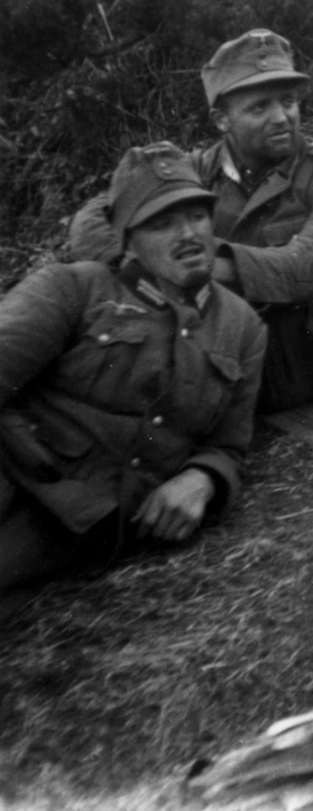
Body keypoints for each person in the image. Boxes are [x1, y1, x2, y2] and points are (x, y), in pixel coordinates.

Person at [0, 144, 266, 623]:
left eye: (196, 216)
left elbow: (230, 444)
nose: (187, 234)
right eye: (162, 223)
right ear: (128, 240)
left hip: (77, 528)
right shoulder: (74, 288)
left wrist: (201, 478)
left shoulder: (242, 326)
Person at [67, 29, 313, 413]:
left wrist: (180, 263)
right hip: (207, 336)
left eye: (288, 101)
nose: (282, 118)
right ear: (221, 120)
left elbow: (311, 265)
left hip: (297, 357)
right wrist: (135, 264)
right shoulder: (194, 169)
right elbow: (94, 217)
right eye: (259, 107)